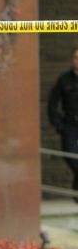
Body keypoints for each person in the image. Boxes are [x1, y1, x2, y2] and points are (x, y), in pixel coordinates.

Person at [48, 48, 78, 200]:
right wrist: (59, 125)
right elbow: (53, 104)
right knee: (71, 157)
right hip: (70, 126)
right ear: (72, 60)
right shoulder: (64, 80)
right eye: (75, 57)